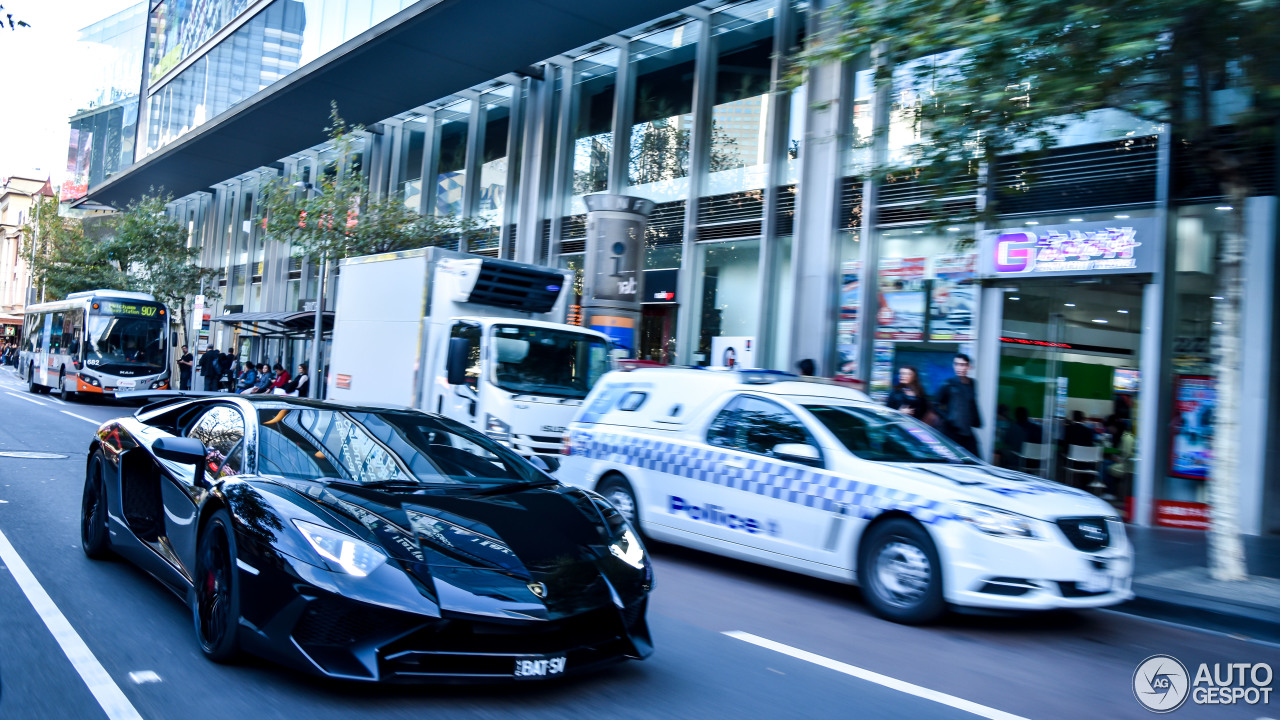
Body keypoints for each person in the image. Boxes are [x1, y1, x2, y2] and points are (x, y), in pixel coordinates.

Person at [935, 353, 981, 454]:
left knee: (975, 460)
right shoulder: (948, 384)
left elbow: (972, 403)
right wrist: (947, 418)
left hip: (967, 431)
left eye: (963, 365)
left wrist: (977, 420)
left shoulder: (972, 383)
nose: (959, 367)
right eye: (957, 364)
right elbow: (935, 404)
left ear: (969, 367)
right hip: (952, 431)